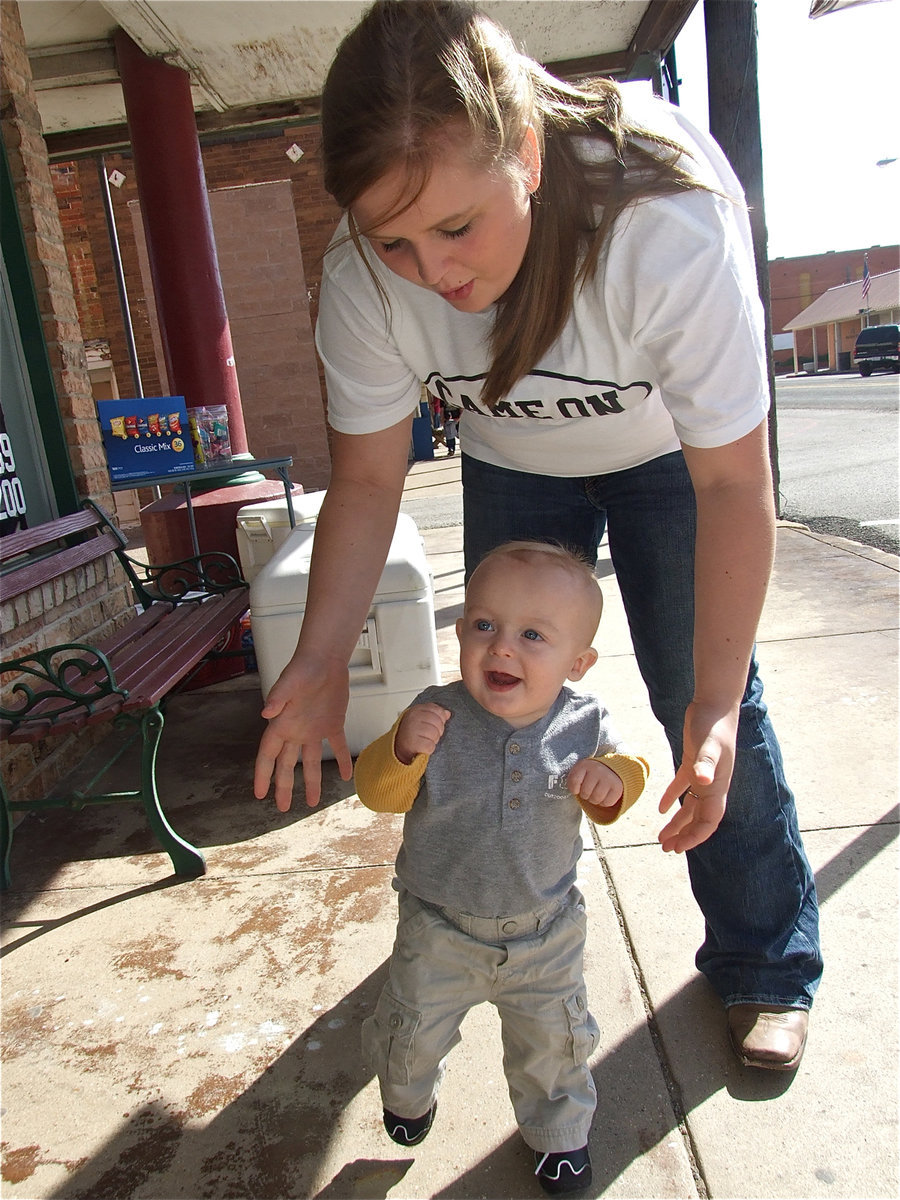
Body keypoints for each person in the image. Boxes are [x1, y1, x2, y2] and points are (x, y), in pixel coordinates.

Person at [254, 0, 822, 1071]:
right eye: (394, 240)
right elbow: (370, 479)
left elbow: (737, 480)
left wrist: (709, 701)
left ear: (523, 152)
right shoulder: (361, 277)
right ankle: (481, 913)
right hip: (515, 461)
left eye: (456, 227)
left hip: (675, 461)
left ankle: (765, 966)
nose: (429, 271)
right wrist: (322, 657)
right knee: (495, 700)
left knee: (708, 706)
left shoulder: (662, 220)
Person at [354, 541, 649, 1195]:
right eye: (484, 625)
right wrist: (402, 748)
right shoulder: (436, 711)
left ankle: (559, 1137)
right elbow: (379, 793)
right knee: (411, 1028)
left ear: (577, 662)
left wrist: (613, 780)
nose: (502, 647)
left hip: (545, 933)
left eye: (533, 635)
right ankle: (407, 1096)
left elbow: (632, 769)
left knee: (556, 1044)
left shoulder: (585, 721)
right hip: (438, 926)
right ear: (460, 633)